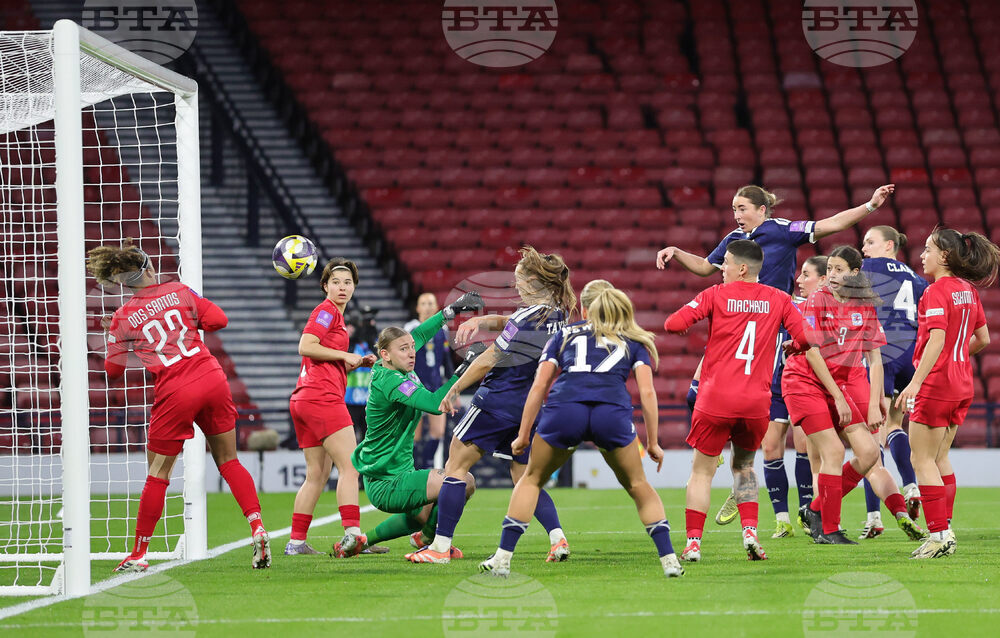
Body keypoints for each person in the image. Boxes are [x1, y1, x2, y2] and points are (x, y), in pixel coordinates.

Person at [656, 183, 895, 525]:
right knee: (700, 389)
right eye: (734, 209)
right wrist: (677, 252)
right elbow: (706, 268)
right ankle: (743, 472)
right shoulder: (734, 243)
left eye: (742, 208)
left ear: (762, 210)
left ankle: (781, 493)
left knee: (787, 429)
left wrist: (870, 205)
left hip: (777, 326)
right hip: (741, 322)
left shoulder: (783, 230)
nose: (736, 215)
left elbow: (831, 224)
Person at [87, 240, 270, 572]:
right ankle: (257, 526)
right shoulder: (180, 290)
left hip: (175, 388)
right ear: (149, 268)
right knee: (228, 460)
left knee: (158, 473)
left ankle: (139, 553)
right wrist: (189, 319)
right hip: (211, 376)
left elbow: (112, 372)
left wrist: (117, 338)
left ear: (123, 282)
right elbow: (219, 320)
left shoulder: (122, 317)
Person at [479, 282, 683, 578]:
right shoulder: (632, 340)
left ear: (585, 308)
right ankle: (669, 561)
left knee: (532, 479)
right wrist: (653, 442)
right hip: (610, 413)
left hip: (565, 410)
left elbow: (539, 386)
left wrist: (523, 435)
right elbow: (648, 394)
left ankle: (502, 558)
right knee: (639, 486)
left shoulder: (563, 334)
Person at [406, 246, 575, 564]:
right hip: (528, 407)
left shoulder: (527, 315)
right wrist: (486, 320)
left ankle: (440, 548)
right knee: (525, 477)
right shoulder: (558, 314)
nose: (516, 287)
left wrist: (455, 387)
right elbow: (513, 322)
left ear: (530, 283)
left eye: (518, 281)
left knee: (456, 466)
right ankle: (557, 538)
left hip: (496, 399)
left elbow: (488, 359)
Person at [664, 240, 811, 562]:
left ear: (742, 268)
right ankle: (750, 532)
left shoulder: (715, 294)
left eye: (726, 263)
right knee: (744, 467)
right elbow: (809, 338)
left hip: (715, 399)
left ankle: (692, 543)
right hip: (756, 404)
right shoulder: (780, 299)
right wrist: (793, 348)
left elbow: (673, 324)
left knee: (702, 472)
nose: (721, 269)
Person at [785, 246, 924, 545]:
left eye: (839, 269)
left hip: (840, 385)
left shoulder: (865, 307)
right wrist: (837, 397)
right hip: (805, 382)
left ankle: (814, 510)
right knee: (833, 452)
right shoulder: (816, 301)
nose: (832, 275)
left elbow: (875, 360)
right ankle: (830, 529)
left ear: (855, 273)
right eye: (830, 269)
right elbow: (813, 353)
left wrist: (875, 403)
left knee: (871, 452)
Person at [350, 292, 485, 556]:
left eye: (412, 348)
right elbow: (436, 403)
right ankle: (433, 542)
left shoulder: (395, 365)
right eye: (405, 349)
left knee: (421, 515)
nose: (412, 353)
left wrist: (449, 312)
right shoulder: (393, 382)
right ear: (385, 354)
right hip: (386, 482)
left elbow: (419, 334)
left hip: (397, 473)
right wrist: (464, 368)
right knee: (463, 482)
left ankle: (363, 541)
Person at [896, 228, 998, 559]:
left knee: (920, 459)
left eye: (927, 250)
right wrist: (956, 358)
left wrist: (915, 382)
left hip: (937, 384)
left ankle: (939, 535)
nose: (921, 255)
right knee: (939, 458)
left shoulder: (936, 291)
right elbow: (982, 339)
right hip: (962, 383)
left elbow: (937, 338)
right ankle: (945, 525)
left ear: (944, 256)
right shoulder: (968, 291)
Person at [283, 259, 377, 557]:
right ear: (325, 286)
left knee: (317, 475)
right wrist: (345, 353)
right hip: (321, 399)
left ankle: (296, 542)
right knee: (351, 467)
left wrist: (353, 361)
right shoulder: (326, 311)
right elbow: (305, 345)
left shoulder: (334, 315)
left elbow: (322, 359)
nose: (342, 287)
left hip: (305, 399)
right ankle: (352, 537)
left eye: (347, 282)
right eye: (336, 281)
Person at [857, 226, 929, 539]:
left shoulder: (867, 268)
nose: (864, 249)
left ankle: (874, 516)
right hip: (910, 356)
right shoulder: (918, 280)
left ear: (889, 245)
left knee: (870, 437)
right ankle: (911, 484)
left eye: (869, 242)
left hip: (882, 354)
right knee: (895, 426)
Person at [761, 256, 828, 538]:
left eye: (806, 275)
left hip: (802, 383)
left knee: (805, 450)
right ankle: (782, 519)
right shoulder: (771, 303)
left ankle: (806, 512)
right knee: (770, 449)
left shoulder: (813, 307)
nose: (799, 280)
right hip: (772, 383)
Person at [404, 293, 455, 470]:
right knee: (414, 436)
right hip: (415, 388)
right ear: (417, 308)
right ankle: (414, 469)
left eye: (430, 303)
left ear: (436, 308)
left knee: (438, 432)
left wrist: (452, 386)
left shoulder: (442, 329)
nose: (426, 307)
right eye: (423, 303)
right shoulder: (410, 329)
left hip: (436, 387)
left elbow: (446, 360)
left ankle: (427, 465)